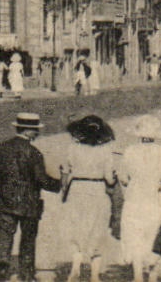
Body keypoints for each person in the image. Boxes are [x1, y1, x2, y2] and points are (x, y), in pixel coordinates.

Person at [0, 112, 63, 282]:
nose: (37, 133)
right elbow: (42, 180)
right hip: (29, 202)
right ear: (28, 131)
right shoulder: (34, 153)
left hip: (5, 201)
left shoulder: (1, 148)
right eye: (35, 130)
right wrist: (61, 184)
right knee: (28, 238)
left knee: (5, 236)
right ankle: (27, 274)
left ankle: (2, 270)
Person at [56, 114, 116, 282]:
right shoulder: (105, 150)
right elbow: (109, 179)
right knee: (97, 230)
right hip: (96, 189)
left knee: (76, 228)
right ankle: (95, 275)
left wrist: (64, 190)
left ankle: (75, 268)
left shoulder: (72, 148)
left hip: (77, 189)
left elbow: (65, 173)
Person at [117, 115, 161, 282]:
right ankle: (153, 275)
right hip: (155, 200)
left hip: (134, 200)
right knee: (156, 237)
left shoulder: (129, 151)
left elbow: (123, 179)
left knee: (135, 237)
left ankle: (137, 275)